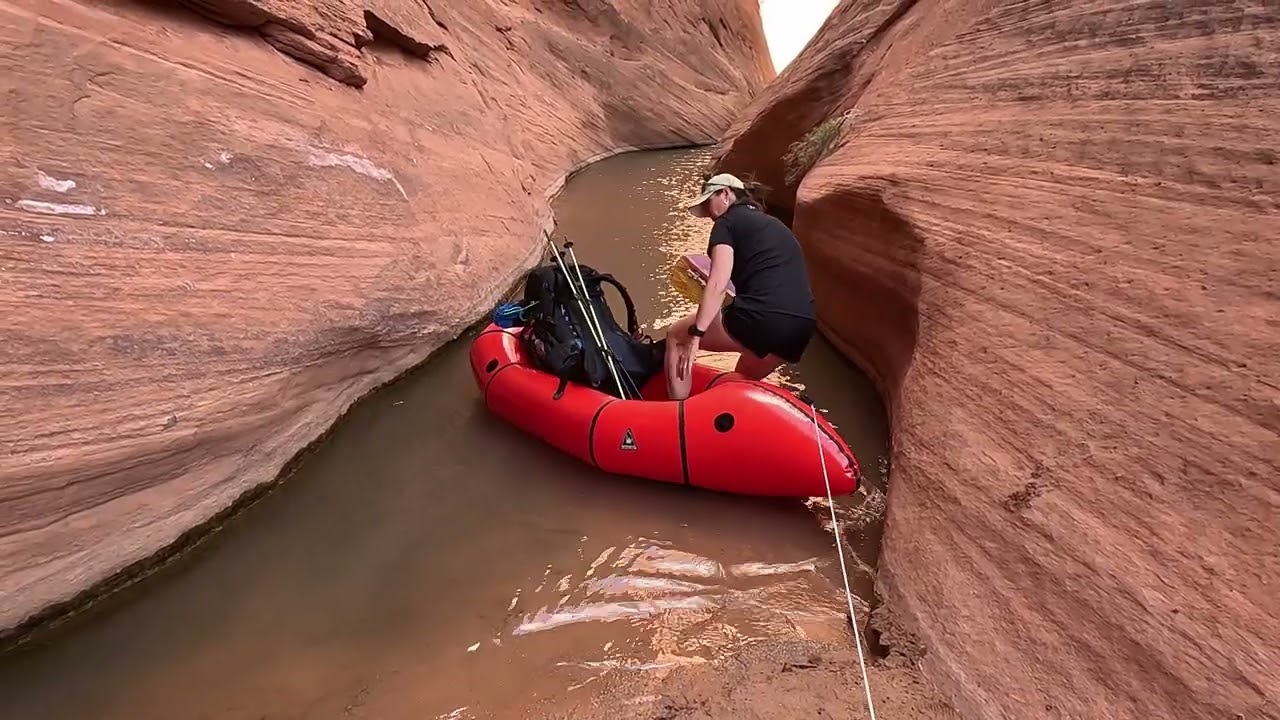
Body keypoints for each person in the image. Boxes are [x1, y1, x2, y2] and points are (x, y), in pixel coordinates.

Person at [664, 172, 817, 400]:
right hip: (801, 328)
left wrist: (696, 335)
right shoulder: (775, 225)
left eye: (708, 203)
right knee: (738, 380)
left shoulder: (727, 223)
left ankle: (677, 410)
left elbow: (718, 281)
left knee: (676, 336)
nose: (708, 215)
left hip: (762, 319)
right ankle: (725, 411)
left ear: (726, 194)